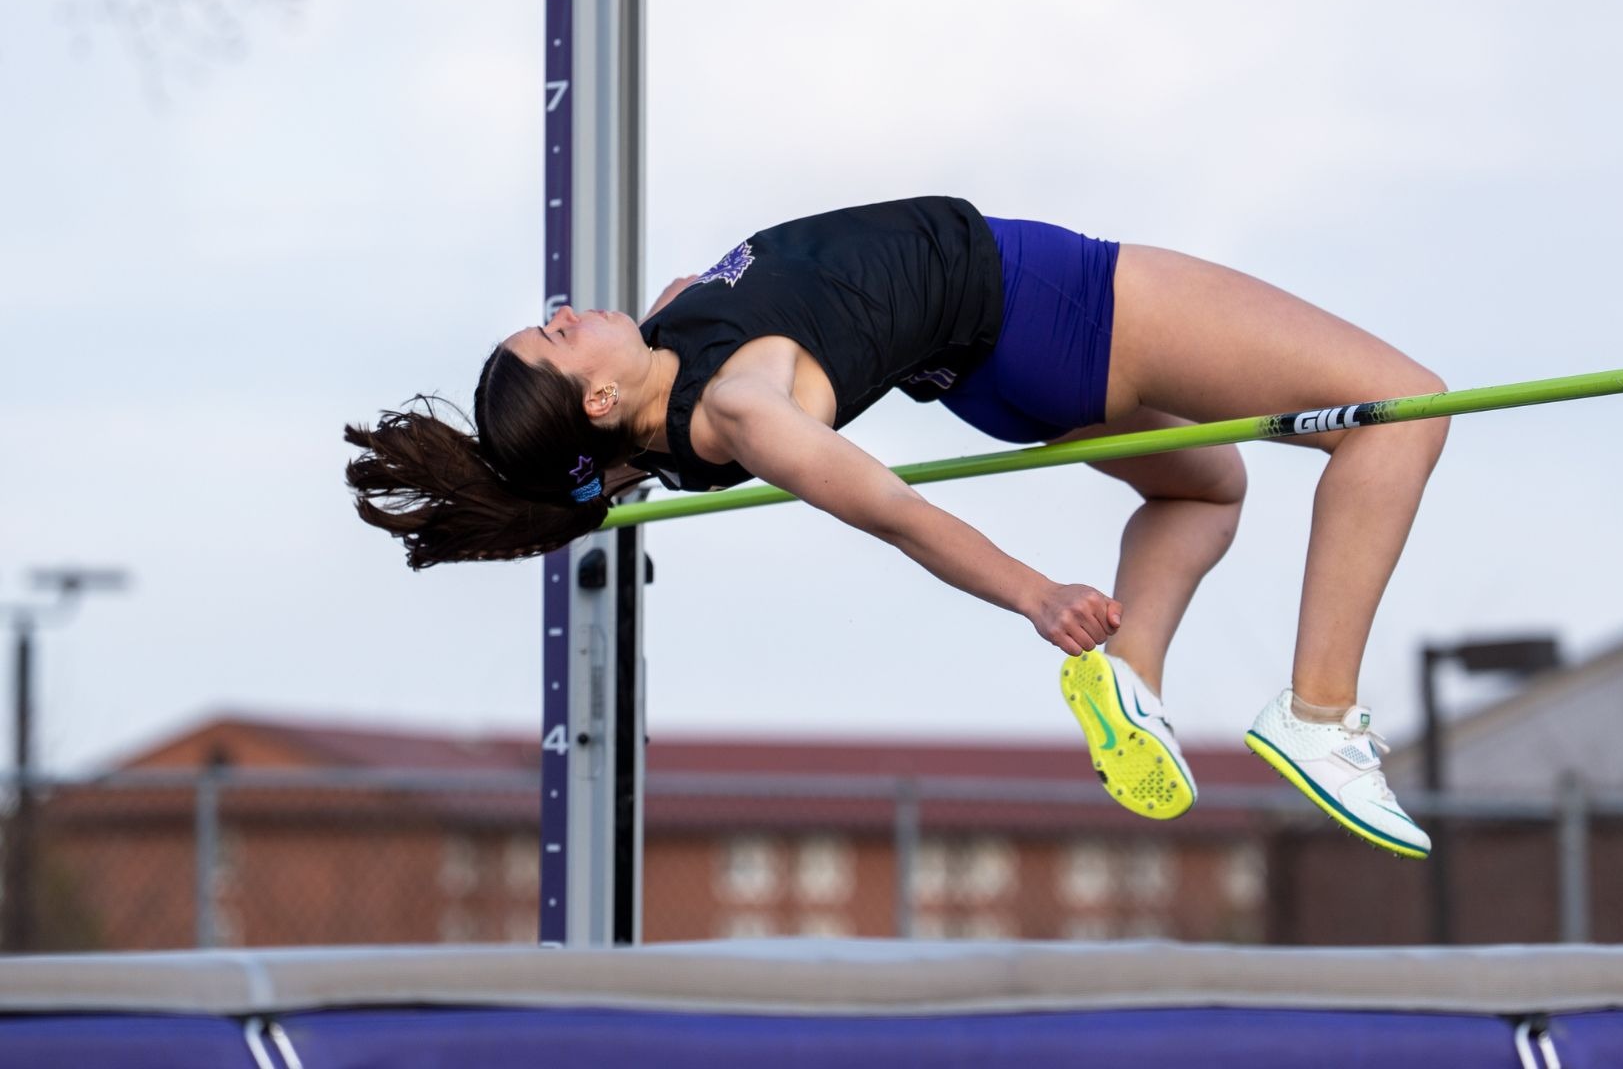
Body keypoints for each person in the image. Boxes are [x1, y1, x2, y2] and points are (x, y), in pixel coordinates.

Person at [347, 197, 1447, 857]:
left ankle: (1133, 676)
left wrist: (591, 466)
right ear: (593, 399)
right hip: (1052, 306)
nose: (564, 315)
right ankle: (1319, 713)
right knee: (1400, 412)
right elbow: (893, 511)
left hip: (992, 372)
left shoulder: (665, 377)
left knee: (1205, 490)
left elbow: (639, 424)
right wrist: (1035, 593)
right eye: (555, 339)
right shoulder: (742, 412)